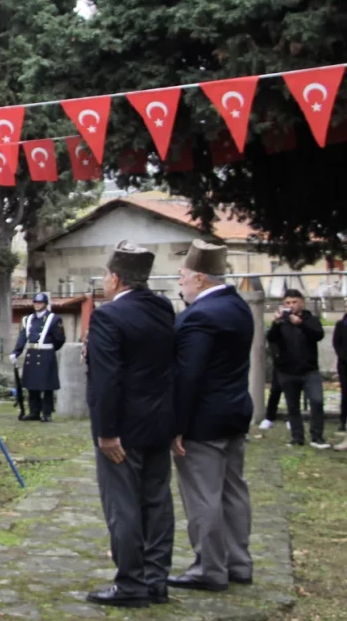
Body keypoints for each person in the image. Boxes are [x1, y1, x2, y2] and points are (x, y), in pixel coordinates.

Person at [83, 242, 176, 608]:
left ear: (116, 278)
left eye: (106, 275)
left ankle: (131, 583)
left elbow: (107, 380)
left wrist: (106, 432)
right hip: (159, 421)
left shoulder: (108, 317)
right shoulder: (163, 307)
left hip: (122, 428)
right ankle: (156, 579)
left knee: (122, 505)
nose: (104, 281)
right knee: (157, 502)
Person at [169, 239, 255, 593]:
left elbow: (189, 375)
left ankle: (210, 566)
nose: (181, 283)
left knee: (203, 494)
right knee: (234, 490)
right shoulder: (237, 306)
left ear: (200, 279)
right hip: (235, 410)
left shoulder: (200, 316)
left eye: (184, 277)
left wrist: (176, 425)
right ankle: (239, 562)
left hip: (203, 420)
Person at [266, 289, 328, 448]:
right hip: (287, 371)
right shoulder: (282, 322)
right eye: (287, 303)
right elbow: (271, 338)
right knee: (293, 406)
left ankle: (317, 437)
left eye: (294, 302)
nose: (291, 306)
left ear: (302, 302)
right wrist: (275, 323)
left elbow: (318, 335)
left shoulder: (311, 319)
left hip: (309, 370)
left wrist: (301, 324)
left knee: (317, 401)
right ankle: (297, 438)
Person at [12, 292, 65, 422]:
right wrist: (16, 352)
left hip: (46, 353)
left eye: (40, 303)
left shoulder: (54, 319)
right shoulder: (28, 319)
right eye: (35, 302)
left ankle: (47, 413)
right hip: (32, 353)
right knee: (32, 385)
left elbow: (60, 339)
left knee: (47, 386)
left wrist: (50, 349)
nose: (37, 305)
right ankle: (34, 412)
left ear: (45, 304)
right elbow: (23, 337)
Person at [335, 313, 347, 442]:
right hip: (344, 365)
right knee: (345, 394)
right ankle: (343, 421)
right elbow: (336, 344)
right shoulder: (341, 324)